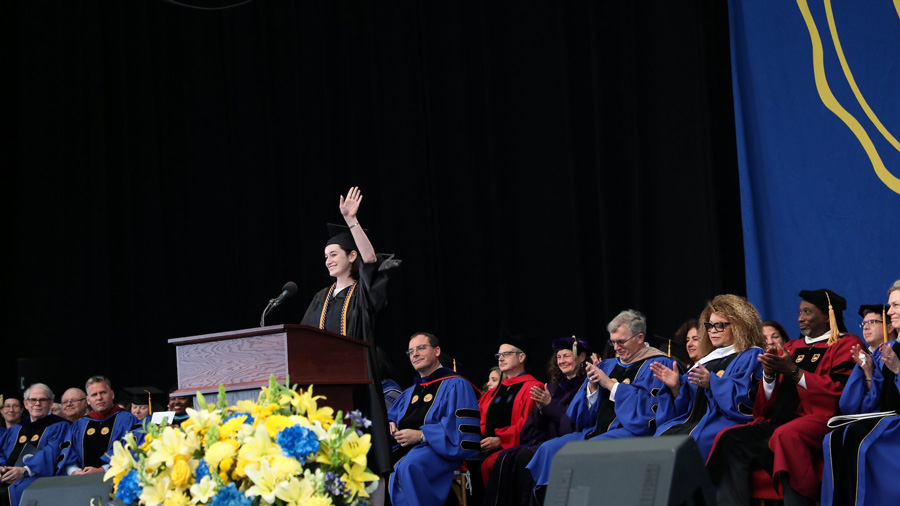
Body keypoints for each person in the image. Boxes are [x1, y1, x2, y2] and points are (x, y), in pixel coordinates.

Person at [707, 288, 863, 506]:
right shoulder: (792, 346)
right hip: (780, 420)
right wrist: (769, 375)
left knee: (786, 436)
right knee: (729, 439)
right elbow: (768, 399)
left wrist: (794, 371)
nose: (800, 318)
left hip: (823, 419)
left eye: (807, 312)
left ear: (828, 315)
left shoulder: (845, 345)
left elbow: (840, 393)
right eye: (799, 312)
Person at [300, 186, 400, 479]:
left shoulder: (363, 294)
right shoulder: (320, 297)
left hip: (356, 385)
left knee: (362, 457)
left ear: (351, 255)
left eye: (334, 254)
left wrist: (352, 221)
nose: (328, 260)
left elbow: (371, 262)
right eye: (326, 255)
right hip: (321, 387)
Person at [526, 310, 675, 500]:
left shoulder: (658, 364)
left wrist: (612, 386)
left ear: (639, 337)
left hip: (631, 434)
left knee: (588, 451)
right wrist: (592, 387)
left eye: (621, 341)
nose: (616, 347)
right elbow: (582, 418)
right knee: (549, 449)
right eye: (612, 342)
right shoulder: (608, 365)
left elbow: (648, 415)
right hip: (595, 430)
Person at [652, 295, 766, 459]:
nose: (712, 330)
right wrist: (676, 387)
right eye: (709, 325)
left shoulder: (751, 355)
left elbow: (747, 400)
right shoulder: (707, 359)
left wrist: (713, 383)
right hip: (695, 421)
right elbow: (689, 405)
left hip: (725, 420)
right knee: (662, 435)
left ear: (739, 326)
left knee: (696, 441)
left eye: (719, 325)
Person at [483, 337, 590, 506]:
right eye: (559, 357)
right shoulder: (553, 387)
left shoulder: (587, 386)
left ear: (582, 357)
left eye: (566, 356)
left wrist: (549, 405)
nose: (562, 361)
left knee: (523, 457)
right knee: (508, 457)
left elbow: (575, 423)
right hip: (544, 439)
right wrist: (540, 410)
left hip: (570, 440)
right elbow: (534, 426)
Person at [821, 281, 900, 506]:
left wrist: (898, 370)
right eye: (889, 305)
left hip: (896, 424)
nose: (890, 311)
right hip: (886, 419)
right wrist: (867, 372)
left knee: (857, 436)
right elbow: (858, 406)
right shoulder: (886, 350)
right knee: (834, 438)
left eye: (895, 305)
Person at [387, 332, 481, 506]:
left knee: (409, 466)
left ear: (437, 351)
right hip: (405, 450)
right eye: (411, 351)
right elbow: (390, 417)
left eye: (421, 348)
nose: (415, 354)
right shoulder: (409, 393)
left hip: (440, 451)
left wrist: (421, 436)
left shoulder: (456, 384)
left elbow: (460, 432)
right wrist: (390, 424)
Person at [478, 335, 543, 487]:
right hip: (486, 446)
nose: (500, 359)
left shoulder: (532, 387)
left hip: (513, 446)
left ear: (521, 357)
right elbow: (480, 417)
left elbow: (528, 422)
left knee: (489, 465)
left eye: (506, 354)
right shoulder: (495, 391)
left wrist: (501, 440)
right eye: (499, 355)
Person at [0, 384, 69, 506]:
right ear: (26, 404)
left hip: (37, 477)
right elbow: (2, 451)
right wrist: (1, 467)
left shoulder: (60, 426)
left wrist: (25, 470)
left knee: (11, 491)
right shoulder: (15, 429)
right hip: (7, 476)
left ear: (51, 403)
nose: (37, 403)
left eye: (42, 400)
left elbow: (51, 452)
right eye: (33, 400)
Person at [56, 376, 139, 476]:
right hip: (80, 482)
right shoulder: (79, 425)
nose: (99, 398)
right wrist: (74, 471)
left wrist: (102, 470)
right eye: (94, 395)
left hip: (115, 480)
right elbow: (68, 453)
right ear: (88, 400)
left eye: (103, 393)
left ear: (112, 394)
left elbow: (130, 451)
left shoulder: (127, 420)